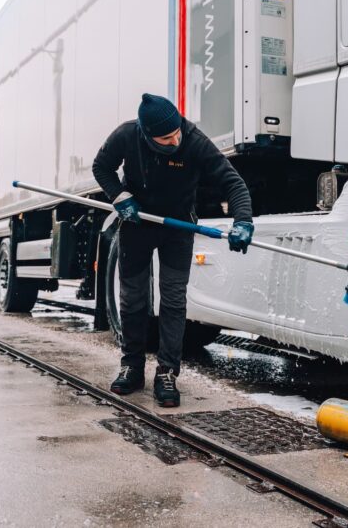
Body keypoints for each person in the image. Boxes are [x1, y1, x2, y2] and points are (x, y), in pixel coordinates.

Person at [92, 93, 254, 407]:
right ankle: (132, 367)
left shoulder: (192, 139)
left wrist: (242, 221)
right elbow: (102, 168)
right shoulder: (126, 135)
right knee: (133, 298)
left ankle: (167, 372)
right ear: (148, 135)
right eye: (166, 138)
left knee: (173, 299)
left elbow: (233, 182)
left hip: (178, 227)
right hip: (137, 224)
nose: (175, 139)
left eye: (177, 131)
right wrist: (120, 196)